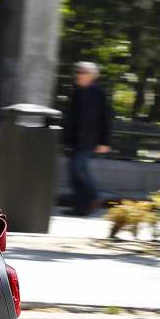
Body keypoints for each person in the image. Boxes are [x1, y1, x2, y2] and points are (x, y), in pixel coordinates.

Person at [64, 61, 113, 216]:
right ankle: (80, 208)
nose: (79, 75)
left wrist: (105, 142)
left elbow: (106, 118)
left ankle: (94, 196)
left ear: (92, 76)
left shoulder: (99, 93)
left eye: (83, 72)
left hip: (90, 140)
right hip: (76, 140)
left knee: (78, 169)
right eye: (78, 72)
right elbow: (71, 117)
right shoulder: (76, 92)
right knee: (74, 174)